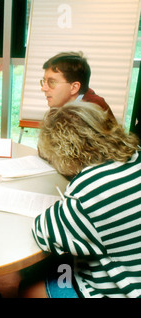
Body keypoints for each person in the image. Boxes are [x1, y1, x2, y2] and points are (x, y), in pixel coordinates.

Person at [21, 102, 140, 298]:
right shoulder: (136, 156)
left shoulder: (88, 188)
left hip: (120, 290)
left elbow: (44, 234)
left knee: (28, 288)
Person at [41, 51, 116, 121]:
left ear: (74, 87)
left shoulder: (93, 112)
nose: (43, 88)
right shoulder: (58, 104)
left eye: (52, 82)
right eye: (44, 81)